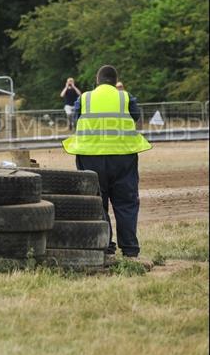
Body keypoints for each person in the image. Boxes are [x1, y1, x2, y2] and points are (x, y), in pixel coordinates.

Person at [63, 65, 152, 264]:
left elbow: (77, 119)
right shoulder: (126, 97)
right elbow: (135, 117)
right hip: (123, 157)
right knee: (126, 203)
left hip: (90, 156)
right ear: (115, 81)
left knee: (97, 202)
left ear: (97, 80)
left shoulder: (85, 98)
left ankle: (105, 246)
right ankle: (130, 250)